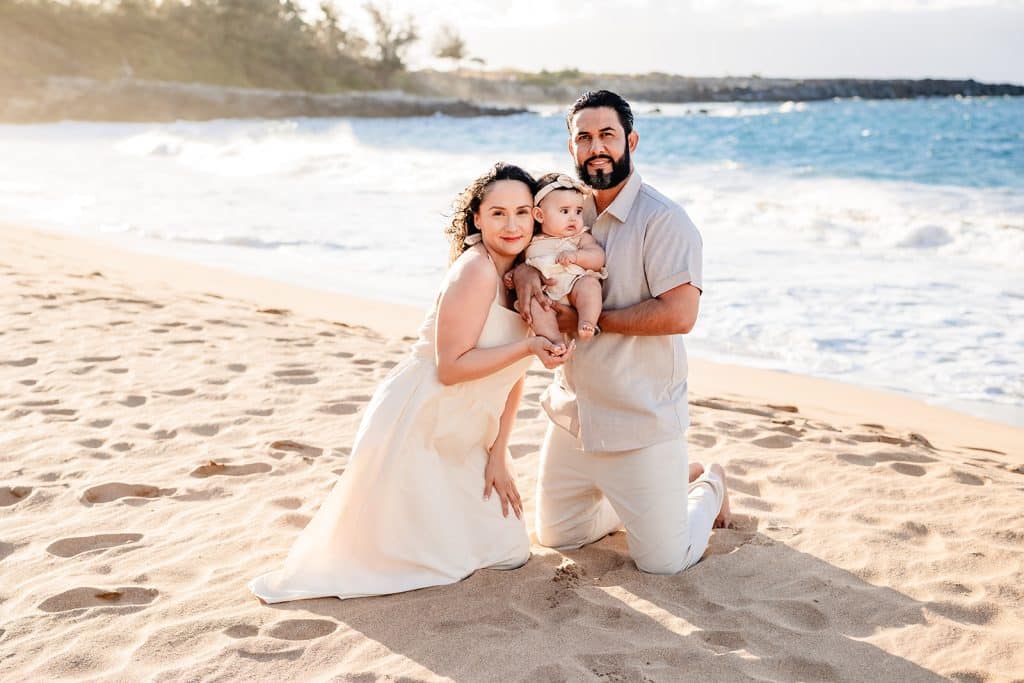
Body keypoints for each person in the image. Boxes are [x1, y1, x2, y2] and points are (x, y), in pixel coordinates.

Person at [249, 163, 572, 603]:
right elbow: (451, 368)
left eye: (521, 212)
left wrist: (499, 453)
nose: (511, 225)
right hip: (418, 420)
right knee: (412, 563)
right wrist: (529, 345)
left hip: (468, 430)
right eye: (498, 213)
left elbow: (511, 379)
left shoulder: (524, 275)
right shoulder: (474, 270)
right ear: (477, 218)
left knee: (508, 550)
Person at [511, 91, 731, 576]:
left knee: (664, 562)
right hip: (574, 416)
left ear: (630, 140)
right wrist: (525, 277)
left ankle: (708, 484)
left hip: (640, 420)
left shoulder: (664, 220)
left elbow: (679, 316)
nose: (597, 147)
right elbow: (516, 255)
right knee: (558, 536)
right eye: (584, 138)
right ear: (571, 148)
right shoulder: (560, 209)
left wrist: (593, 320)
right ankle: (663, 492)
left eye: (607, 135)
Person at [524, 173, 607, 344]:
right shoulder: (530, 241)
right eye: (564, 211)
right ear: (540, 215)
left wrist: (577, 256)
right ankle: (555, 342)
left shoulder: (580, 237)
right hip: (546, 295)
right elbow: (521, 266)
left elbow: (598, 257)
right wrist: (512, 275)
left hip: (575, 287)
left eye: (578, 211)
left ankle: (587, 321)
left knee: (590, 285)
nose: (573, 218)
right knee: (536, 306)